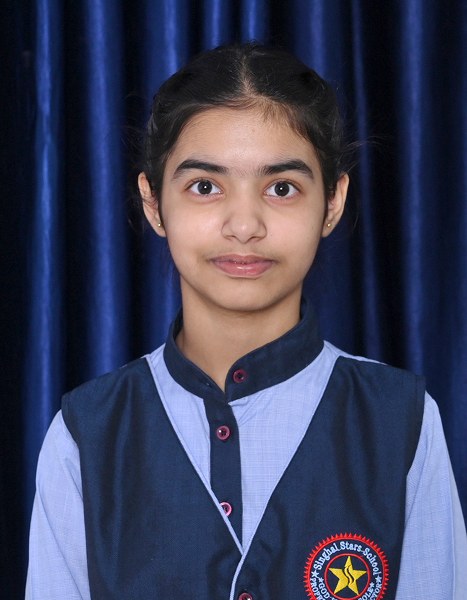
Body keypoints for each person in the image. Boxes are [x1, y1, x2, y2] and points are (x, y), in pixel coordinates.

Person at [26, 43, 466, 600]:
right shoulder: (83, 436)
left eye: (281, 188)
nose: (243, 225)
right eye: (205, 186)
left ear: (332, 202)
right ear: (153, 202)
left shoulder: (403, 422)